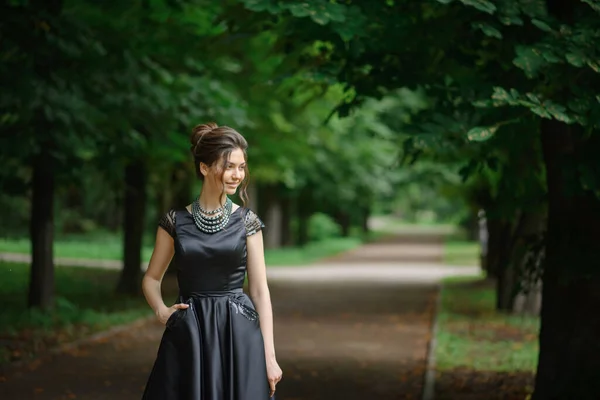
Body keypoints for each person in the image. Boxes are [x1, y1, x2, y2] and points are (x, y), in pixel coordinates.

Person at [141, 122, 282, 399]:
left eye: (242, 167)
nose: (237, 175)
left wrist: (269, 356)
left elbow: (259, 291)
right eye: (229, 166)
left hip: (239, 334)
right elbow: (151, 278)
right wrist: (161, 310)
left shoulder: (247, 221)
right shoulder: (174, 222)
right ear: (204, 167)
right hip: (189, 333)